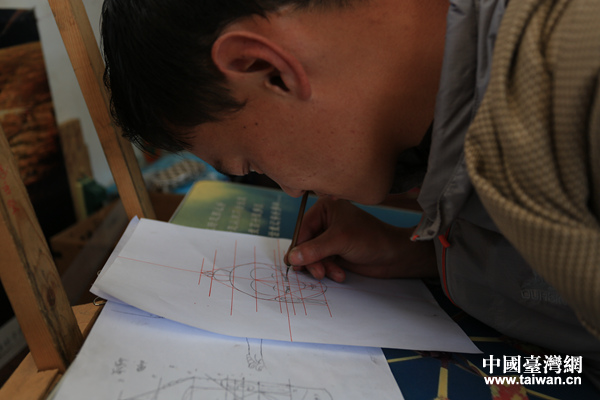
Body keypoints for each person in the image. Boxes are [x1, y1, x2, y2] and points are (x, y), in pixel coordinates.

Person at [100, 0, 600, 386]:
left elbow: (576, 372)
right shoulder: (459, 117)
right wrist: (431, 256)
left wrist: (502, 373)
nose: (289, 189)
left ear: (266, 67)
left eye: (251, 163)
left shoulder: (576, 79)